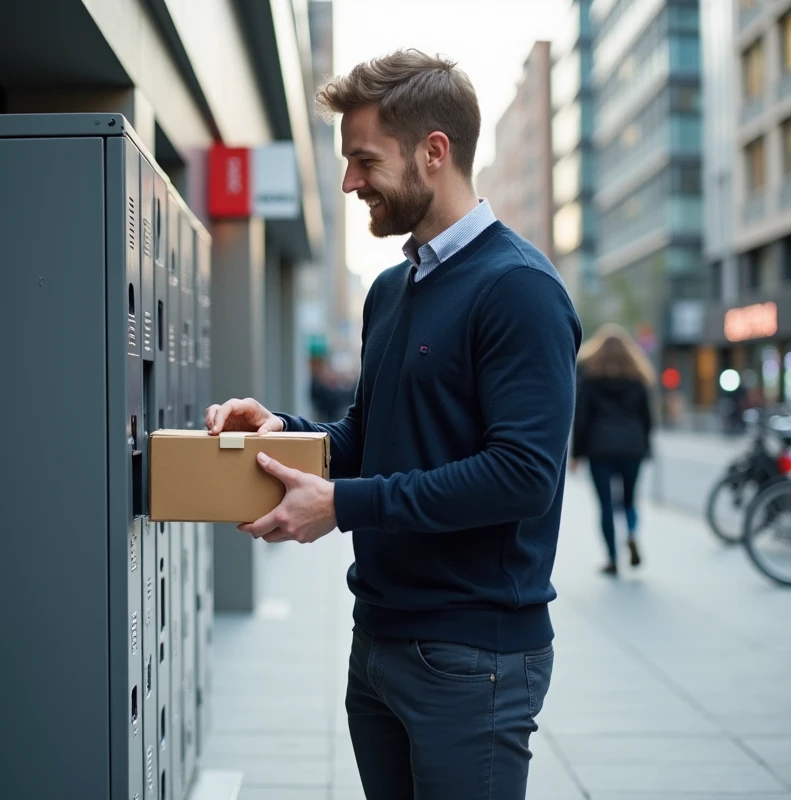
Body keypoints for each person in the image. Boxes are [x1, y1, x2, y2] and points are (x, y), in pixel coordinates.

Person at [204, 49, 581, 800]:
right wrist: (282, 432)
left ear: (433, 152)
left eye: (363, 160)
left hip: (474, 658)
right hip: (377, 640)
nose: (349, 182)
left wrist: (344, 507)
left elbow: (524, 476)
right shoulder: (391, 291)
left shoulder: (520, 291)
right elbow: (369, 439)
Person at [569, 324, 655, 576]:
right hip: (632, 447)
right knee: (629, 500)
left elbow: (581, 419)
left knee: (605, 505)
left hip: (600, 447)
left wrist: (576, 454)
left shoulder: (590, 380)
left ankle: (612, 558)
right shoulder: (638, 380)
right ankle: (631, 533)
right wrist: (646, 446)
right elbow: (647, 419)